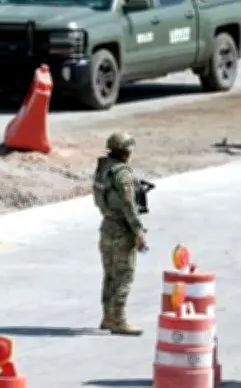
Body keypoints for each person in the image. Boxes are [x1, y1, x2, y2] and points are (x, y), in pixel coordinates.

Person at [92, 131, 149, 336]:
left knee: (110, 275)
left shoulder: (104, 169)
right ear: (126, 151)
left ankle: (108, 317)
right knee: (125, 275)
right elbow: (129, 206)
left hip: (107, 226)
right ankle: (119, 320)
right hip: (121, 230)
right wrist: (139, 231)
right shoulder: (123, 174)